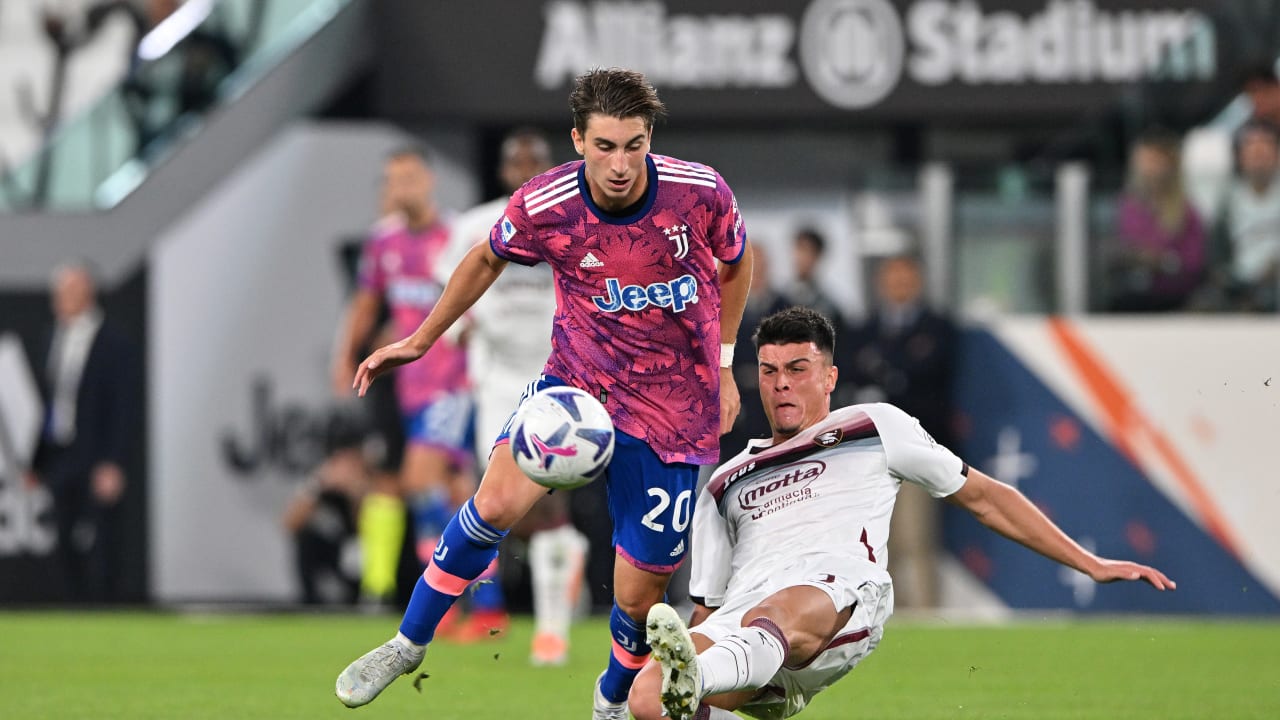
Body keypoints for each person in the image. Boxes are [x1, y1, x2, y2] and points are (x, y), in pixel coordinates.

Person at [334, 68, 751, 718]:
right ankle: (408, 642)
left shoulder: (698, 192)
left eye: (634, 146)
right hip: (577, 386)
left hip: (675, 406)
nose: (619, 164)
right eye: (605, 146)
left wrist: (724, 364)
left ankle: (610, 699)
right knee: (495, 501)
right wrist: (420, 340)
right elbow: (483, 259)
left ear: (649, 140)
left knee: (639, 598)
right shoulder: (546, 202)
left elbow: (737, 260)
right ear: (579, 138)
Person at [629, 307, 1175, 720]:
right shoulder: (724, 481)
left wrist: (1088, 562)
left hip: (838, 595)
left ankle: (713, 675)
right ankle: (710, 684)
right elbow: (704, 612)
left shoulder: (873, 426)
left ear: (831, 378)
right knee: (648, 698)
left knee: (775, 612)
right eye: (769, 371)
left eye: (798, 368)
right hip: (748, 630)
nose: (781, 384)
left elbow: (984, 497)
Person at [435, 127, 590, 661]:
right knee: (499, 505)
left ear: (554, 164)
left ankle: (552, 632)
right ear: (503, 171)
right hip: (499, 380)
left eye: (537, 159)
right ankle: (560, 568)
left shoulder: (580, 220)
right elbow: (452, 288)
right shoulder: (474, 226)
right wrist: (456, 330)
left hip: (562, 377)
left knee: (551, 499)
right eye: (516, 161)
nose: (526, 168)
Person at [330, 146, 472, 571]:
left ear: (429, 181)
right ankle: (477, 599)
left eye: (409, 177)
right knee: (451, 488)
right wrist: (345, 356)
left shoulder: (457, 235)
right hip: (407, 387)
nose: (401, 187)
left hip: (452, 382)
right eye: (393, 179)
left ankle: (462, 598)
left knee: (421, 480)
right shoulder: (382, 240)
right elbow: (366, 303)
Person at [838, 254, 956, 607]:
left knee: (917, 541)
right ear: (880, 283)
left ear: (918, 280)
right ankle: (895, 630)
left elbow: (927, 380)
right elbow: (851, 374)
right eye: (892, 277)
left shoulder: (938, 328)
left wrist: (887, 374)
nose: (898, 284)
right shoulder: (864, 330)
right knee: (880, 546)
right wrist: (895, 375)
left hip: (919, 453)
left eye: (905, 276)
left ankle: (928, 622)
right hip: (871, 456)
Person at [23, 260, 138, 602]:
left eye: (69, 291)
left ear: (88, 292)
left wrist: (114, 461)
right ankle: (72, 608)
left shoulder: (114, 342)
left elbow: (123, 407)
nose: (60, 299)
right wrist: (37, 462)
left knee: (102, 538)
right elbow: (48, 405)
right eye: (58, 292)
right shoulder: (51, 338)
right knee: (62, 535)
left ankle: (105, 612)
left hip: (97, 454)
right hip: (61, 452)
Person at [1107, 130, 1207, 312]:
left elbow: (1195, 262)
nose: (1147, 168)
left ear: (1169, 165)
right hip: (1133, 293)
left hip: (1176, 295)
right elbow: (1119, 248)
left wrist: (1164, 260)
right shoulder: (1128, 206)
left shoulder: (1187, 211)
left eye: (1153, 161)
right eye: (1143, 161)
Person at [1215, 119, 1280, 311]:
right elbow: (1218, 255)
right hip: (1240, 285)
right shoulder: (1228, 200)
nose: (1258, 154)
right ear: (1240, 156)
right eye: (1251, 148)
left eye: (1265, 148)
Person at [780, 228, 842, 326]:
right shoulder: (779, 300)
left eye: (807, 251)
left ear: (817, 257)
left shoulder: (828, 308)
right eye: (798, 249)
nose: (801, 257)